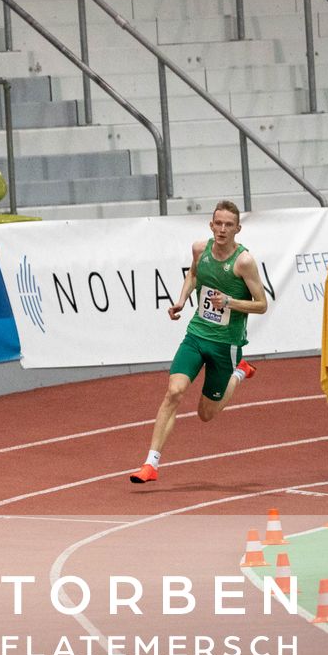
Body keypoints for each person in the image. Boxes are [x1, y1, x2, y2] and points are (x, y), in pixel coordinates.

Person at [130, 199, 267, 484]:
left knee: (206, 413)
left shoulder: (244, 262)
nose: (222, 229)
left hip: (225, 345)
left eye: (228, 225)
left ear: (238, 229)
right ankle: (150, 463)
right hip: (196, 335)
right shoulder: (200, 250)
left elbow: (262, 304)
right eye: (218, 223)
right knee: (174, 391)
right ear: (211, 225)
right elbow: (194, 274)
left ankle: (239, 372)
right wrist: (181, 300)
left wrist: (229, 301)